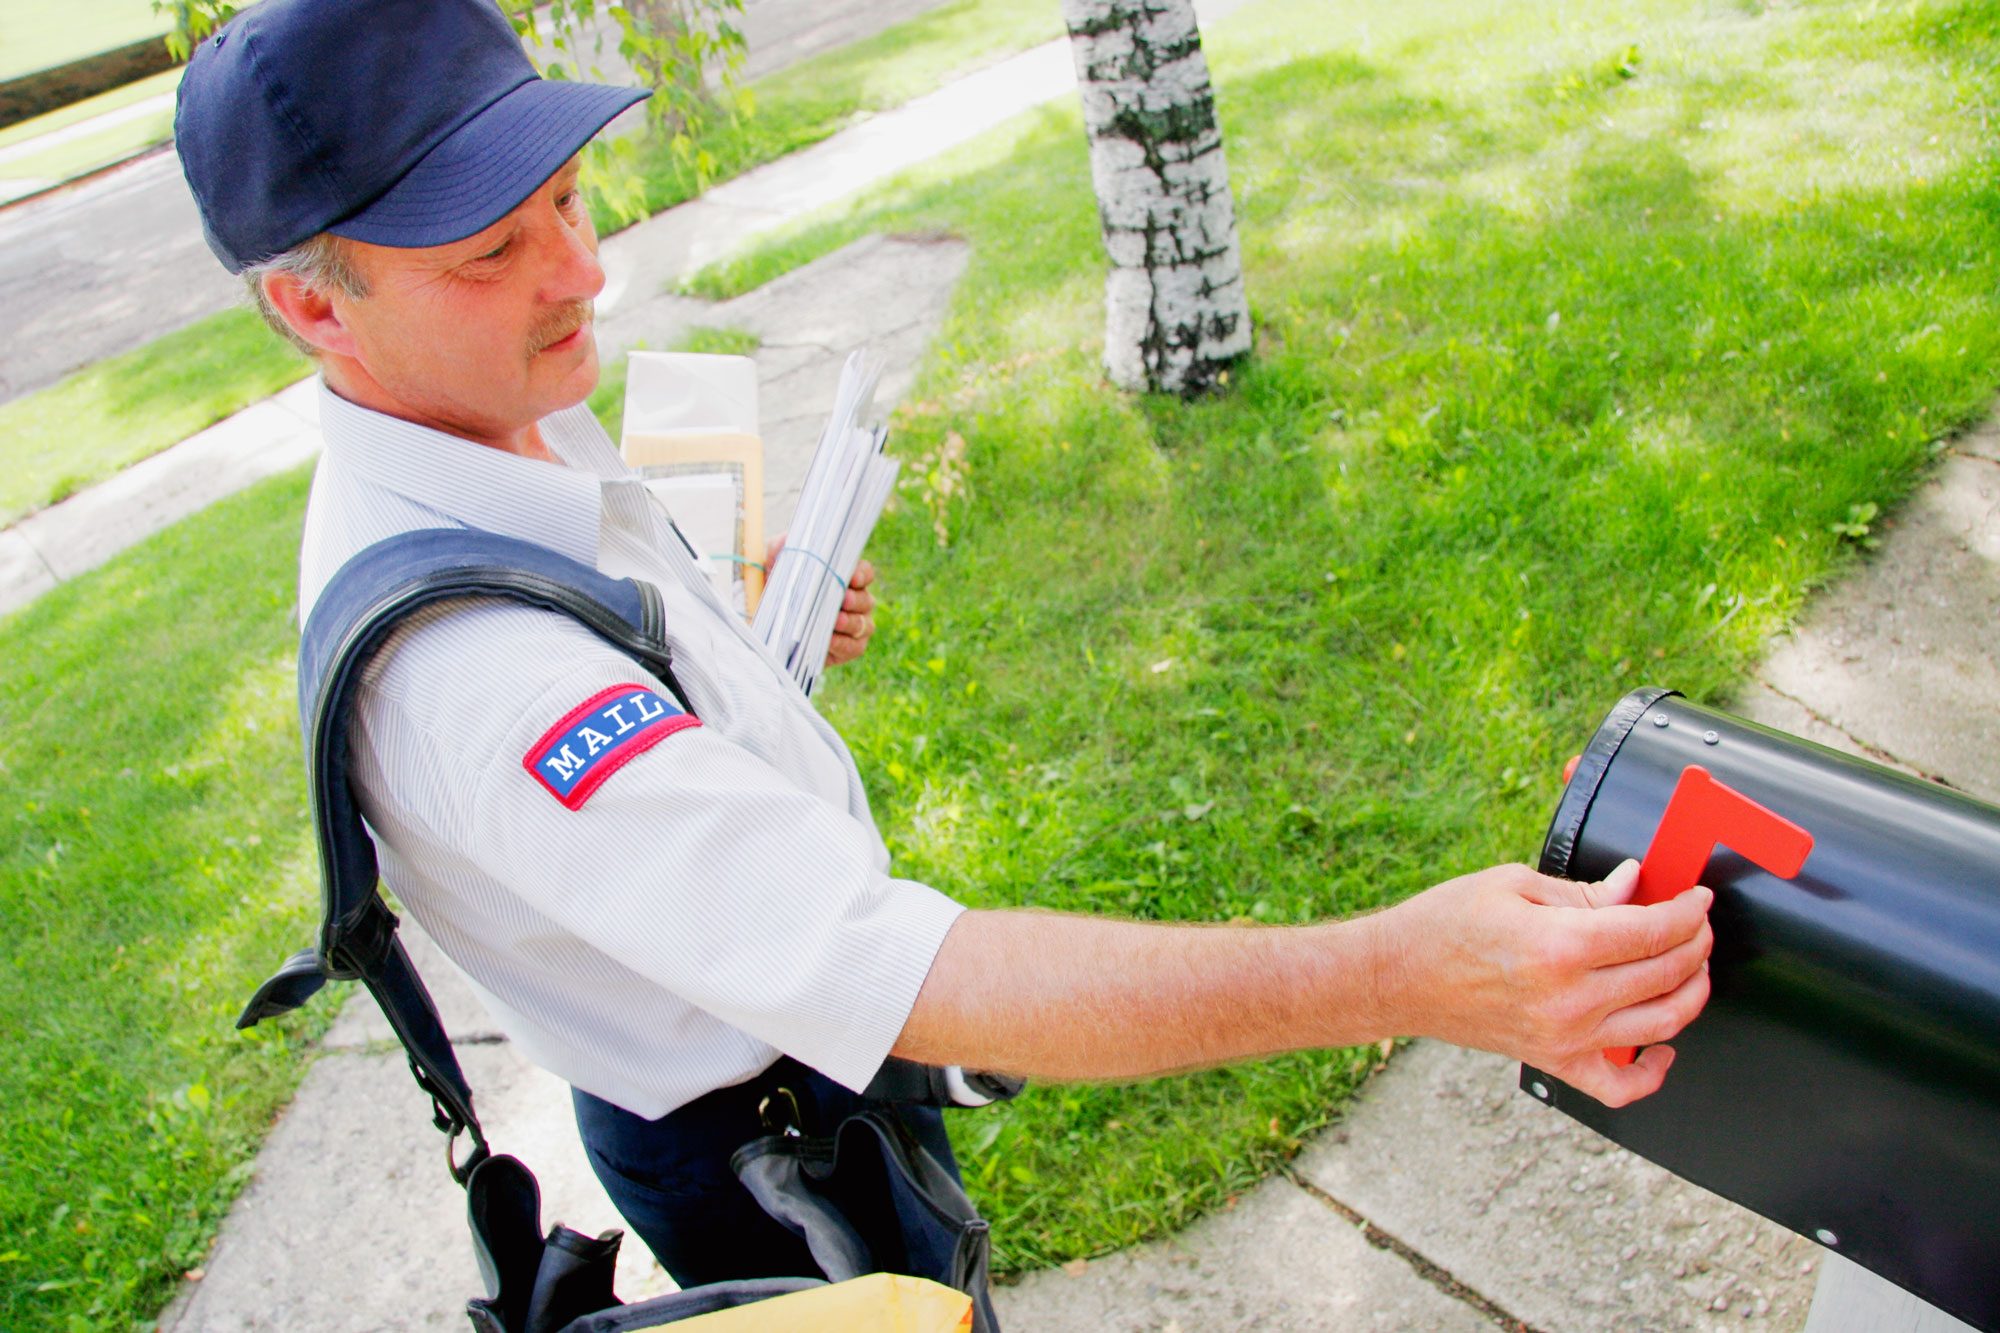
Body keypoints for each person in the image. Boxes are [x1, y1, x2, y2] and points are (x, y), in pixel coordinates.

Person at [174, 0, 1713, 1292]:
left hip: (765, 1055)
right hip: (762, 1139)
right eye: (490, 251)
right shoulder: (472, 688)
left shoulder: (471, 408)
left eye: (567, 200)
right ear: (317, 307)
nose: (581, 272)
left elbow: (640, 764)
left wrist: (735, 643)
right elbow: (906, 970)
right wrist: (1411, 969)